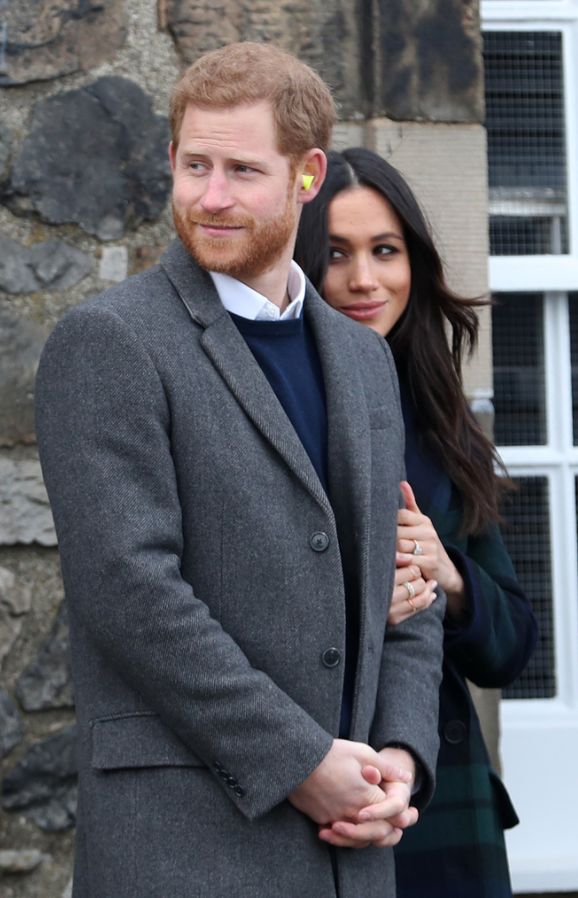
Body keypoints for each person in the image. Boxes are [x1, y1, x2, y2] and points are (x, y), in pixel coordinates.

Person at [35, 46, 445, 898]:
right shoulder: (110, 343)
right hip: (187, 852)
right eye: (193, 165)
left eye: (241, 170)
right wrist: (302, 762)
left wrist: (401, 758)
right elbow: (130, 592)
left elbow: (405, 584)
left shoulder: (364, 359)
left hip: (356, 853)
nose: (210, 197)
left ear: (307, 175)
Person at [294, 147, 538, 898]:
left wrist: (450, 577)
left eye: (385, 251)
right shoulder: (269, 407)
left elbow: (511, 647)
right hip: (309, 788)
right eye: (335, 254)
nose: (363, 280)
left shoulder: (442, 423)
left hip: (445, 799)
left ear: (415, 264)